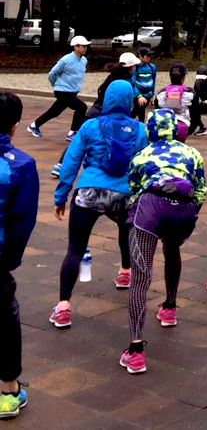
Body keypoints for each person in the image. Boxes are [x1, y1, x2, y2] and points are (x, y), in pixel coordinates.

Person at [49, 81, 148, 329]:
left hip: (89, 191)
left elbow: (71, 161)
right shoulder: (140, 129)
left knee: (75, 248)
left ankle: (63, 307)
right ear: (130, 101)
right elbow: (144, 165)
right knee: (126, 233)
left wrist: (61, 195)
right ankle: (125, 272)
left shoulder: (90, 126)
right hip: (123, 194)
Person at [119, 108, 207, 374]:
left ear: (150, 130)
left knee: (141, 277)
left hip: (150, 209)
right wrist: (189, 214)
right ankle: (169, 307)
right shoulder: (192, 153)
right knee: (172, 250)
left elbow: (132, 191)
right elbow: (200, 190)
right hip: (182, 210)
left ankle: (136, 350)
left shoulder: (142, 155)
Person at [0, 91, 38, 419]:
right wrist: (9, 261)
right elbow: (21, 220)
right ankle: (8, 391)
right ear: (14, 127)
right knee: (5, 320)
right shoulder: (21, 165)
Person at [51, 52, 139, 178]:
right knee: (109, 142)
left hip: (94, 110)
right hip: (109, 115)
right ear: (131, 67)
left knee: (79, 140)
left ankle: (60, 165)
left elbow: (101, 93)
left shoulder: (112, 76)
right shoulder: (127, 83)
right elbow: (130, 103)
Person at [27, 35, 92, 141]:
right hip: (63, 91)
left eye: (86, 46)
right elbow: (52, 73)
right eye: (83, 46)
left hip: (72, 91)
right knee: (81, 107)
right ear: (75, 47)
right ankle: (72, 132)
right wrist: (56, 85)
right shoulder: (65, 60)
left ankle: (34, 126)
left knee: (54, 112)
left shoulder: (84, 60)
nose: (85, 48)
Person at [154, 63, 198, 142]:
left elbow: (157, 111)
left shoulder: (161, 93)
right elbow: (195, 116)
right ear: (183, 77)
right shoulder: (190, 93)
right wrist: (188, 132)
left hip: (164, 127)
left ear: (170, 77)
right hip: (181, 128)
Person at [132, 47, 157, 123]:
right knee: (138, 109)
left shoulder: (152, 67)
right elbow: (133, 83)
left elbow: (153, 81)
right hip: (138, 94)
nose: (149, 57)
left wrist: (151, 94)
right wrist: (139, 96)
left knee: (138, 110)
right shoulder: (135, 68)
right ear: (140, 56)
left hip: (147, 94)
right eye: (147, 56)